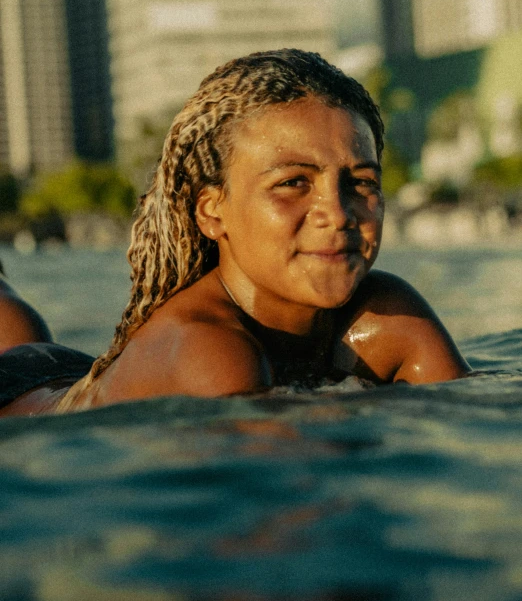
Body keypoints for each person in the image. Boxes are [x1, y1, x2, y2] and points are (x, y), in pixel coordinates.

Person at [0, 49, 470, 417]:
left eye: (361, 183)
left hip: (66, 374)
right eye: (293, 183)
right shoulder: (210, 350)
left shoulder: (388, 315)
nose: (338, 212)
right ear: (212, 211)